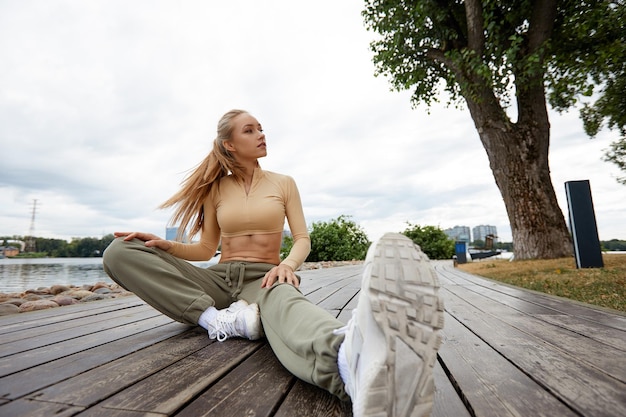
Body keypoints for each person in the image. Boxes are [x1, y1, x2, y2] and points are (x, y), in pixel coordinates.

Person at [103, 109, 443, 417]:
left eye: (261, 129)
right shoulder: (215, 190)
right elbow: (207, 249)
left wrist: (288, 266)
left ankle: (346, 359)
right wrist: (169, 247)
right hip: (219, 280)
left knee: (287, 303)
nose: (261, 135)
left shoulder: (283, 183)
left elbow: (302, 239)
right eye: (249, 130)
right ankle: (216, 321)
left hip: (263, 276)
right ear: (230, 145)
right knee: (119, 251)